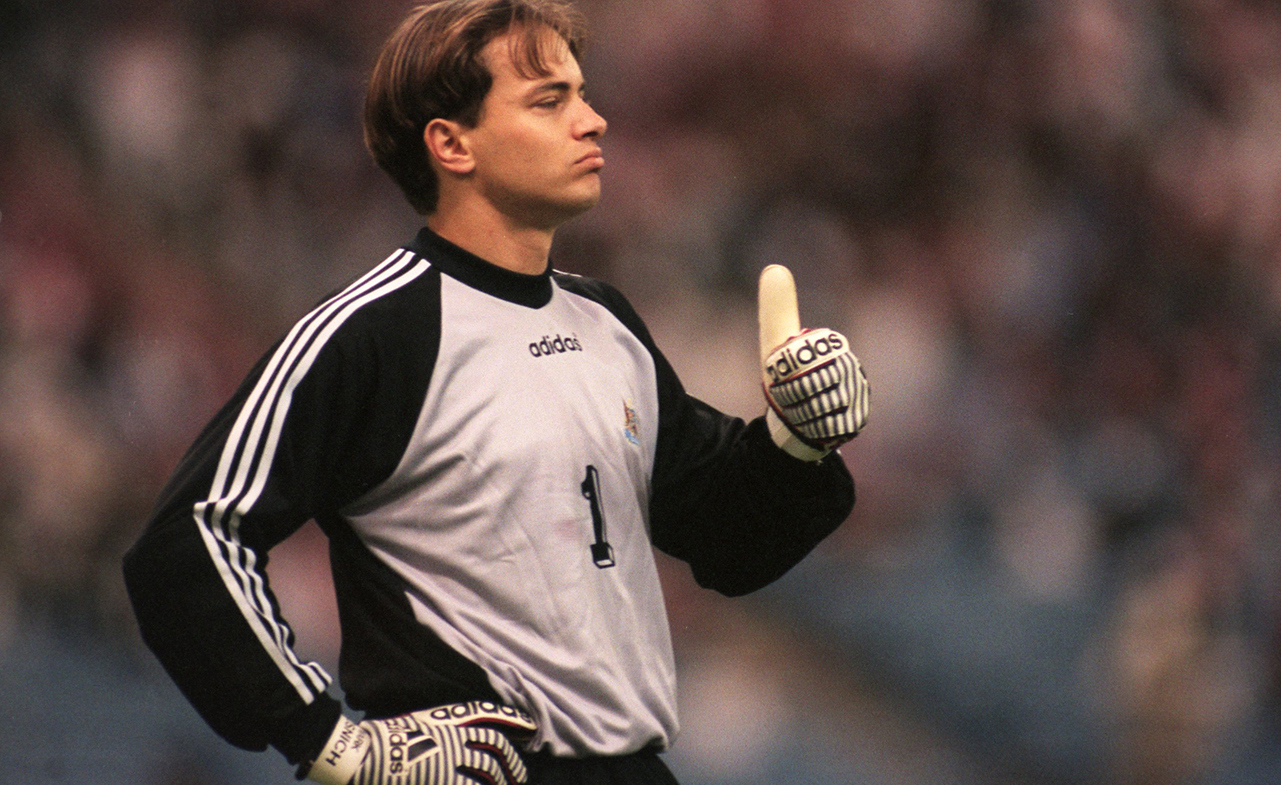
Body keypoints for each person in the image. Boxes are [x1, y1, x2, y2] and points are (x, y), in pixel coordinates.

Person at [122, 1, 870, 783]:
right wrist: (330, 740)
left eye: (582, 94)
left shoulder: (606, 320)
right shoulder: (373, 333)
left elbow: (720, 537)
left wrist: (799, 440)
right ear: (451, 143)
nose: (595, 121)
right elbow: (188, 543)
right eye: (550, 100)